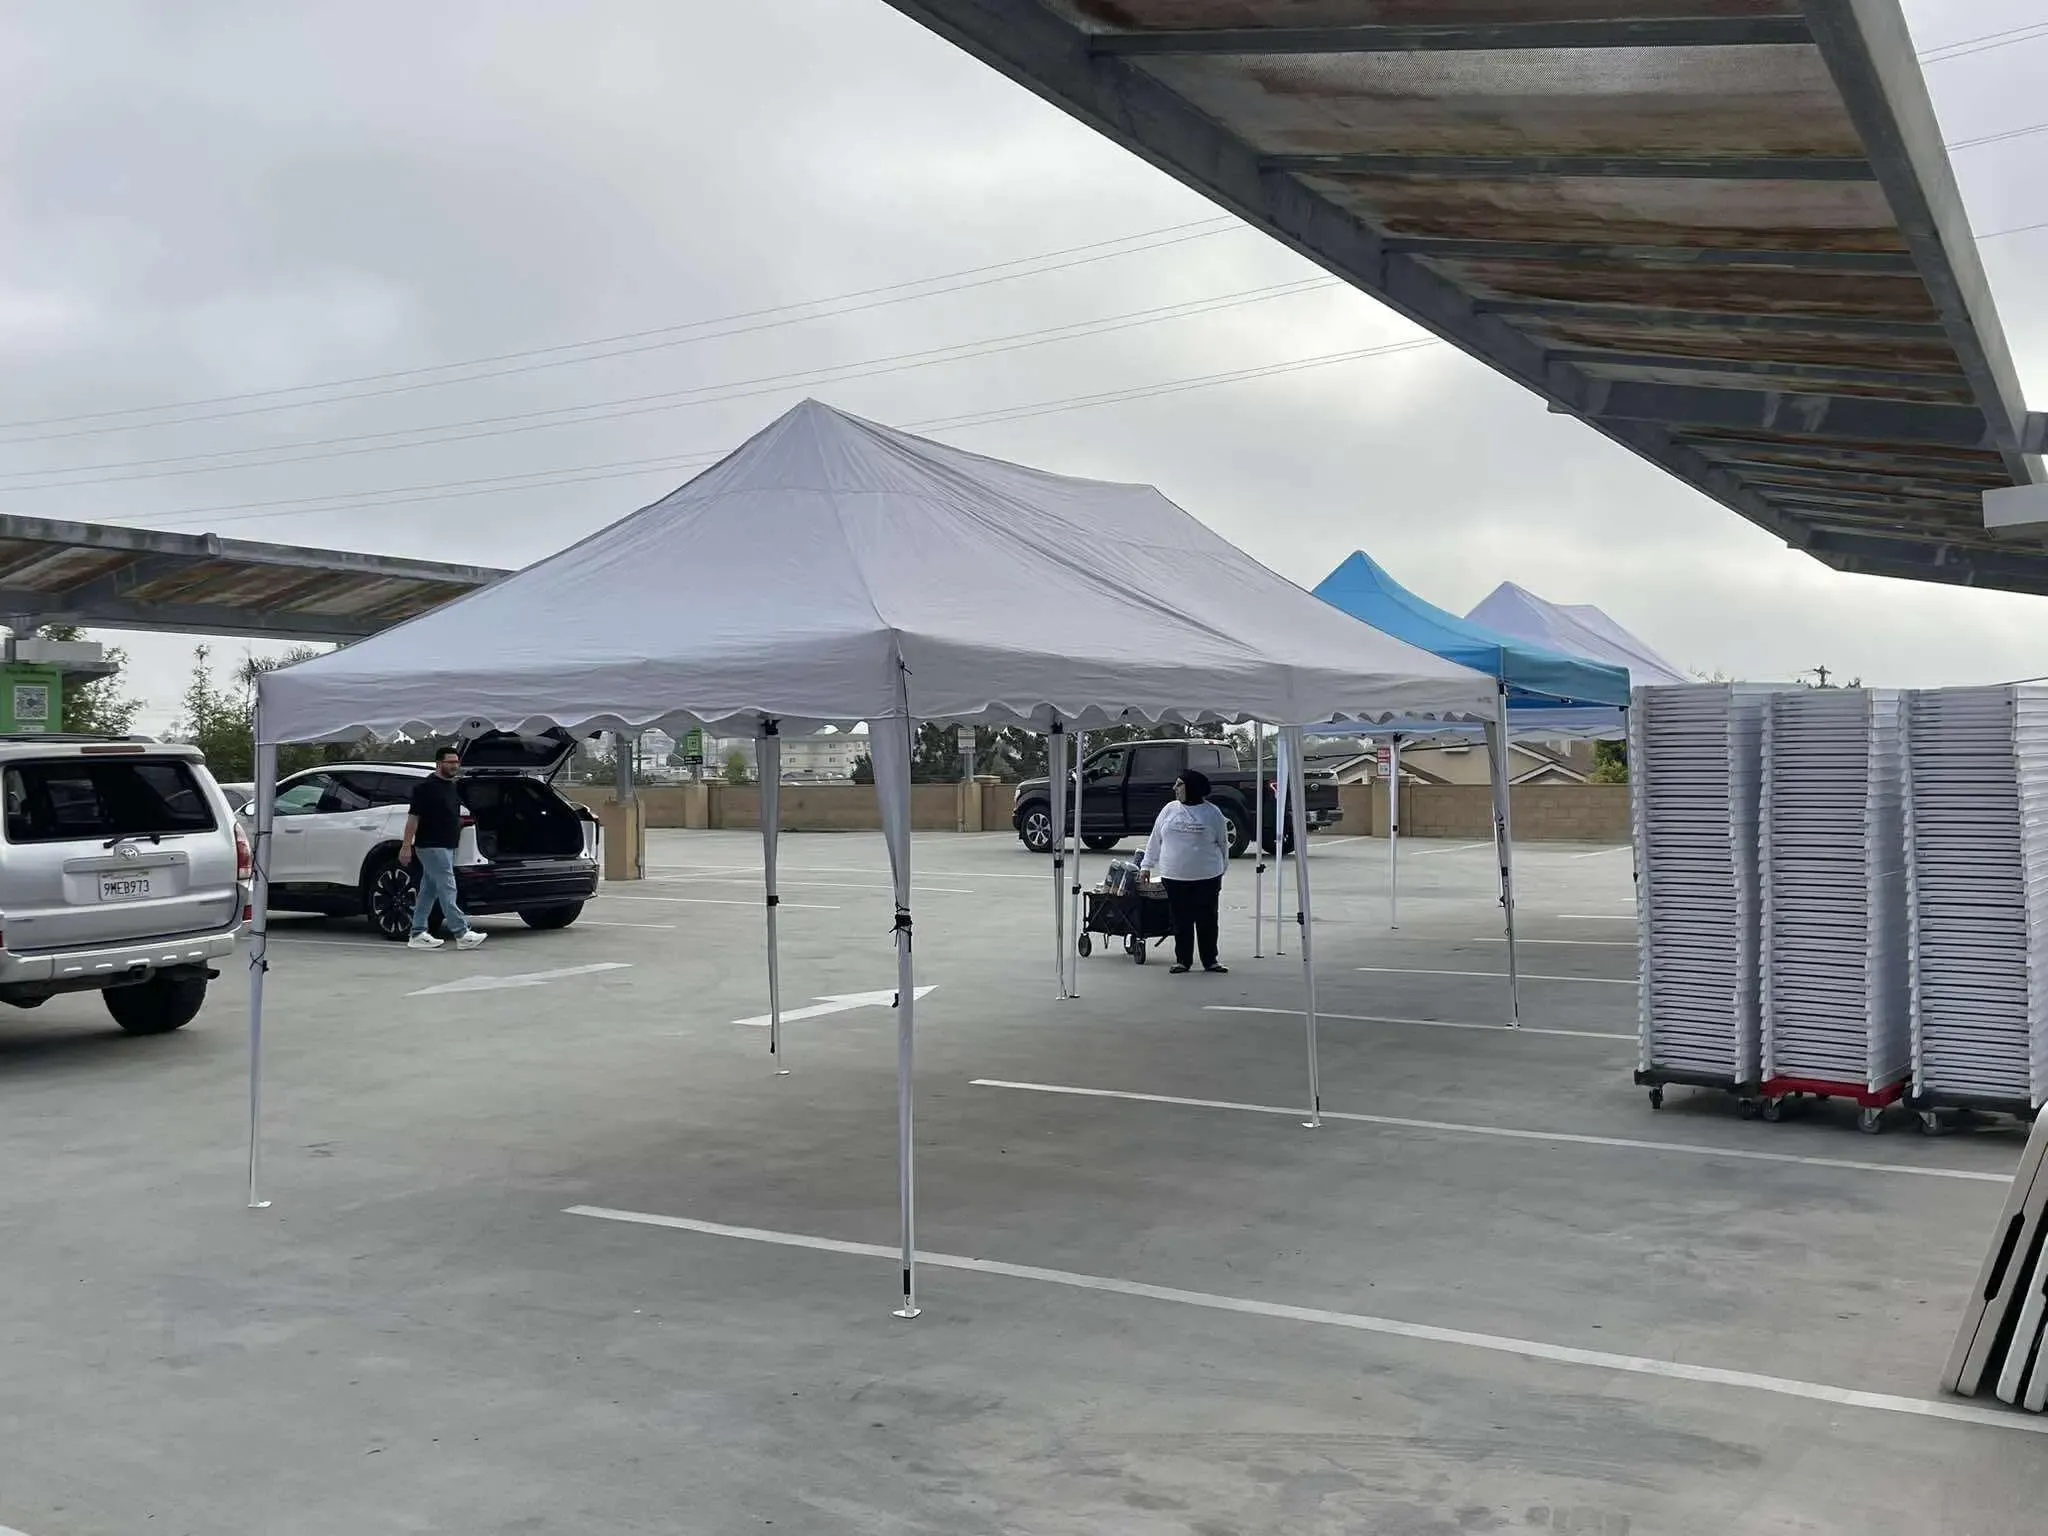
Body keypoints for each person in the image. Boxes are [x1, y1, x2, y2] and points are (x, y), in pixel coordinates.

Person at [1138, 767, 1231, 975]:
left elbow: (1223, 844)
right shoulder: (1169, 809)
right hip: (1174, 876)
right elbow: (1155, 839)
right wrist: (1146, 865)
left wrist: (1220, 870)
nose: (1175, 788)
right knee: (1180, 920)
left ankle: (1210, 960)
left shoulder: (1212, 813)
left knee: (1207, 919)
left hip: (1206, 877)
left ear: (1193, 788)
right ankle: (1183, 960)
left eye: (1179, 784)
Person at [400, 745, 487, 951]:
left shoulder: (452, 787)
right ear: (439, 763)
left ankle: (418, 933)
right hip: (430, 845)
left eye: (456, 762)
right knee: (448, 887)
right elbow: (413, 819)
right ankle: (462, 932)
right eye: (450, 762)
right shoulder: (425, 788)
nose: (454, 765)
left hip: (447, 845)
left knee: (428, 891)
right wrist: (406, 846)